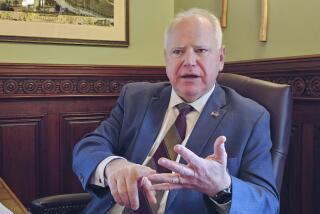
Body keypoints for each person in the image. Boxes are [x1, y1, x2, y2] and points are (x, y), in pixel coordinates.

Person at [73, 8, 279, 214]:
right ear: (166, 59)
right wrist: (113, 166)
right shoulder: (135, 98)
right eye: (178, 51)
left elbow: (268, 205)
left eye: (201, 50)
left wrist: (222, 186)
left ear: (221, 58)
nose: (189, 62)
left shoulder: (250, 118)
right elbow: (89, 147)